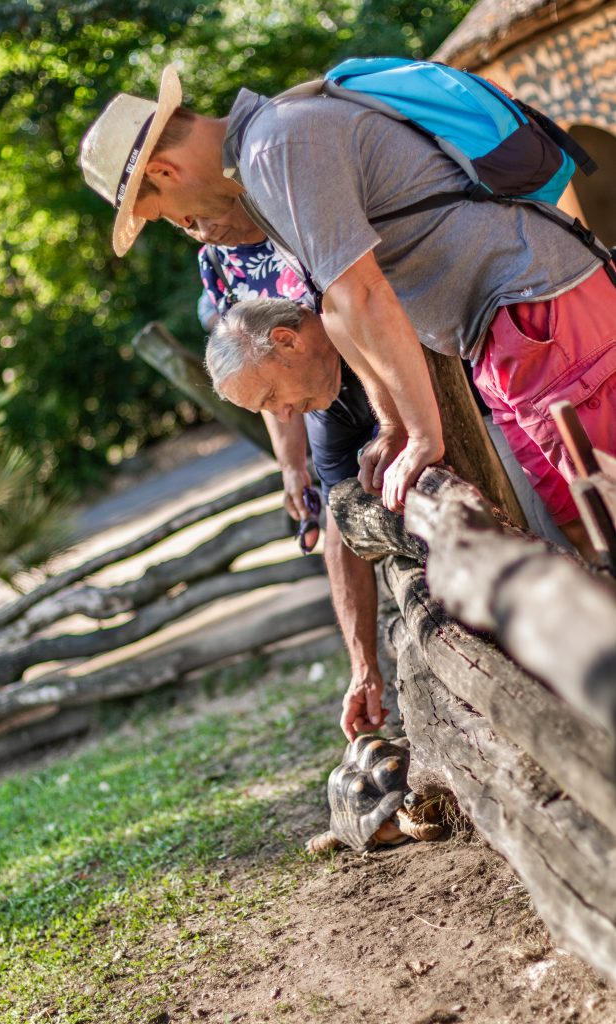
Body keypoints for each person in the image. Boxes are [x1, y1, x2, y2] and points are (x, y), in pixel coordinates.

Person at [80, 62, 616, 736]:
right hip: (505, 329)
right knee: (580, 522)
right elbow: (335, 308)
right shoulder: (262, 165)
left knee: (602, 508)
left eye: (160, 214)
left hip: (538, 308)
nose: (182, 225)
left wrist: (423, 433)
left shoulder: (278, 148)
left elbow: (362, 291)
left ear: (162, 173)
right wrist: (391, 422)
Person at [190, 222, 390, 742]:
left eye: (273, 396)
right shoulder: (318, 400)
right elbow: (339, 525)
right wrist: (363, 668)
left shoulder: (363, 321)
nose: (284, 414)